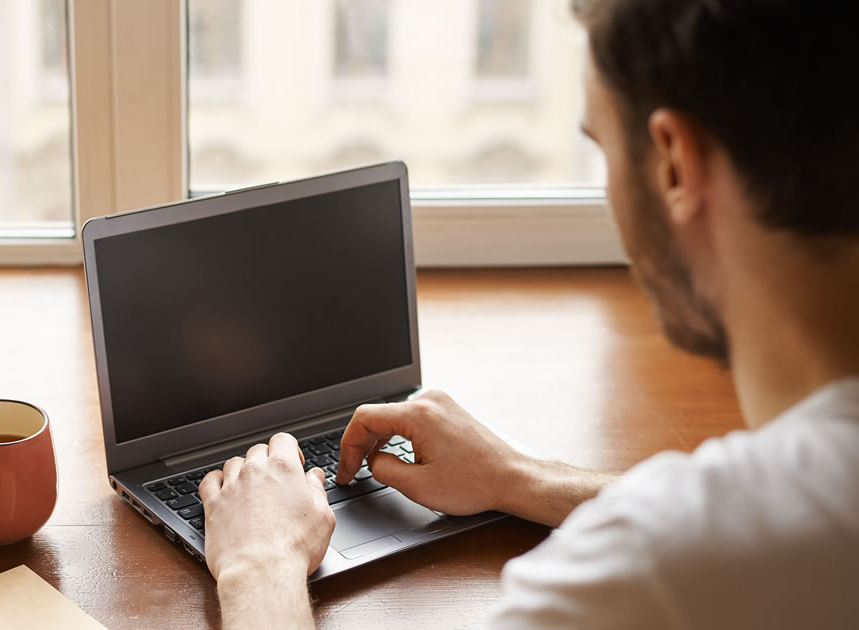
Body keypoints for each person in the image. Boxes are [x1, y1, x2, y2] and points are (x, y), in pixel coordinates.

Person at [196, 0, 859, 628]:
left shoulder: (645, 570)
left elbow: (702, 534)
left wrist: (261, 565)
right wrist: (521, 479)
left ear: (674, 164)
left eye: (602, 147)